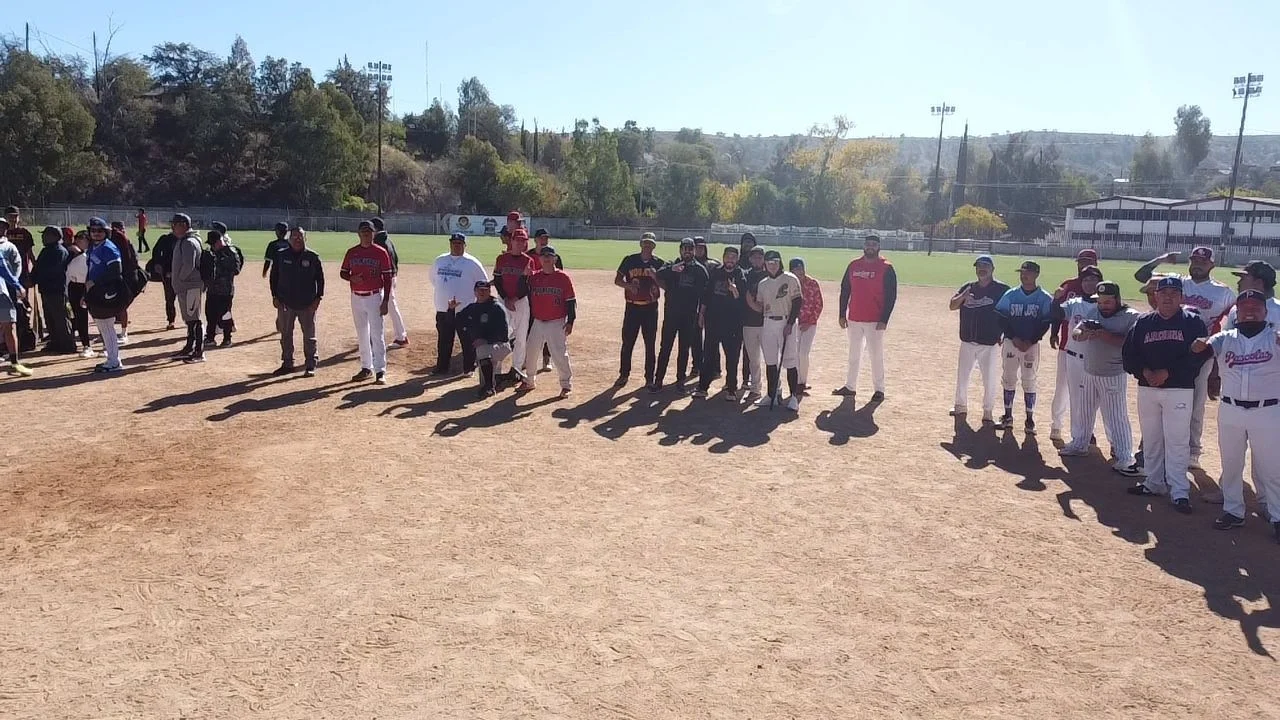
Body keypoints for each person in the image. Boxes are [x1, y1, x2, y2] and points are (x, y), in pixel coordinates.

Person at [1134, 246, 1236, 469]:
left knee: (1196, 404)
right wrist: (1161, 259)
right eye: (1194, 259)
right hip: (1168, 347)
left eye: (1203, 260)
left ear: (1212, 265)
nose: (1197, 263)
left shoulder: (1224, 292)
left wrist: (1218, 370)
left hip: (1203, 353)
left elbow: (1230, 326)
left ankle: (1192, 452)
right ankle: (1153, 450)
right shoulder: (1176, 281)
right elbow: (1141, 276)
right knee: (1162, 399)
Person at [1190, 289, 1280, 538]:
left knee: (1271, 468)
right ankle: (1233, 511)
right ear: (1237, 312)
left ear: (1265, 311)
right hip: (1231, 409)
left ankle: (1278, 515)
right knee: (1231, 465)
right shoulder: (1225, 337)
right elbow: (1201, 349)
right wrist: (1198, 345)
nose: (1250, 310)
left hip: (1268, 410)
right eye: (1244, 307)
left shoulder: (1275, 338)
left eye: (1255, 306)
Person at [1121, 276, 1209, 513]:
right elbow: (1129, 355)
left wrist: (1167, 372)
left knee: (1177, 441)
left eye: (1174, 293)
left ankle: (1179, 491)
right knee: (1151, 438)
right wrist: (1145, 371)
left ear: (1182, 297)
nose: (1168, 297)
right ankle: (1153, 482)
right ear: (1155, 296)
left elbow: (1198, 357)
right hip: (1148, 388)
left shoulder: (1193, 323)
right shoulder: (1143, 323)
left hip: (1179, 389)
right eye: (1164, 292)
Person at [1061, 281, 1142, 475]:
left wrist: (1103, 334)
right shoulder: (1094, 312)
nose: (1103, 305)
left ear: (1117, 299)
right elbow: (1077, 330)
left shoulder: (1131, 317)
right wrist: (1081, 334)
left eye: (1108, 302)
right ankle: (1080, 444)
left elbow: (1130, 342)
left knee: (1116, 416)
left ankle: (1125, 457)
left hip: (1112, 373)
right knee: (1084, 410)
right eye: (1101, 301)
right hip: (1090, 370)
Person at [834, 235, 897, 402]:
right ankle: (850, 386)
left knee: (875, 356)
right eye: (868, 244)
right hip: (854, 317)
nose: (870, 247)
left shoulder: (886, 267)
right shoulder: (854, 265)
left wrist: (884, 319)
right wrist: (842, 314)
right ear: (864, 246)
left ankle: (879, 389)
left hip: (874, 320)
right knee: (853, 355)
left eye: (874, 245)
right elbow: (845, 290)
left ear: (878, 247)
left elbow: (891, 295)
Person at [993, 261, 1054, 432]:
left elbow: (1045, 323)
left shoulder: (1044, 297)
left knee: (1029, 380)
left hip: (1031, 345)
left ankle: (1029, 419)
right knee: (1009, 377)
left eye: (1027, 272)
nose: (1023, 275)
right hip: (1011, 343)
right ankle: (1008, 416)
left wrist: (1031, 340)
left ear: (1036, 275)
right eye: (1022, 272)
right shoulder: (1011, 294)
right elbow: (1001, 319)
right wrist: (1014, 338)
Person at [949, 255, 1010, 422]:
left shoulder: (1002, 290)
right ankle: (960, 405)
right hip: (967, 340)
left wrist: (1005, 333)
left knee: (989, 378)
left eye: (985, 266)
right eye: (979, 266)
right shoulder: (968, 287)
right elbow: (952, 305)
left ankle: (988, 411)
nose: (982, 269)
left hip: (989, 342)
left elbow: (1009, 314)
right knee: (962, 375)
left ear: (992, 269)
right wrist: (963, 296)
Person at [1048, 249, 1100, 438]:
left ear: (1096, 262)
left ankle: (1087, 429)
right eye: (1081, 261)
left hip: (1093, 350)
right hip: (1067, 344)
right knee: (1062, 387)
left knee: (1090, 393)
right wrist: (1054, 333)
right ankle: (1057, 424)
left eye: (1088, 261)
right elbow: (1057, 313)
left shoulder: (1101, 287)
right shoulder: (1068, 285)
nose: (1084, 264)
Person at [653, 238, 709, 393]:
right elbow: (658, 274)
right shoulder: (672, 264)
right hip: (671, 314)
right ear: (680, 250)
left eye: (690, 249)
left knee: (684, 349)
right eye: (684, 249)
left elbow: (705, 293)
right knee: (665, 348)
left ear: (694, 250)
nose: (687, 251)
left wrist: (701, 314)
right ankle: (658, 380)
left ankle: (680, 381)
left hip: (689, 316)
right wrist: (672, 270)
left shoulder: (699, 269)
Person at [341, 221, 394, 384]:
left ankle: (380, 370)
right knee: (362, 333)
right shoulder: (352, 252)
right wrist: (351, 277)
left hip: (374, 296)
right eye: (363, 232)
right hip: (356, 296)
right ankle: (366, 367)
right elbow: (343, 272)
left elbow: (387, 277)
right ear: (358, 234)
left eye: (369, 232)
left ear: (373, 234)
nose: (366, 234)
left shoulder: (381, 252)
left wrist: (385, 301)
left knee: (377, 334)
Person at [751, 249, 803, 410]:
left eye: (775, 263)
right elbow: (760, 306)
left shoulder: (790, 278)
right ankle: (772, 394)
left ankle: (794, 396)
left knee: (790, 360)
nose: (772, 266)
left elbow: (797, 302)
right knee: (771, 361)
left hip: (786, 322)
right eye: (769, 263)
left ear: (780, 263)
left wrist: (790, 323)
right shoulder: (763, 283)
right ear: (765, 264)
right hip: (768, 322)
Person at [431, 232, 489, 377]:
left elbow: (483, 283)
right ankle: (442, 367)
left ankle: (469, 367)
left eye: (459, 243)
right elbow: (433, 279)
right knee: (444, 339)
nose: (456, 246)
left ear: (464, 245)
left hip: (465, 309)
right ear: (450, 244)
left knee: (467, 340)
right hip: (443, 308)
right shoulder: (440, 260)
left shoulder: (472, 263)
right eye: (454, 243)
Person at [521, 245, 576, 397]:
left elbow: (571, 300)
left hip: (556, 322)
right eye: (544, 256)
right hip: (538, 321)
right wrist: (523, 277)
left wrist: (571, 320)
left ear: (555, 259)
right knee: (531, 351)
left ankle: (566, 384)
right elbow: (521, 291)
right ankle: (529, 381)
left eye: (549, 256)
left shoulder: (563, 278)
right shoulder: (534, 278)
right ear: (539, 259)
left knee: (559, 353)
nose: (546, 258)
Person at [693, 247, 747, 400]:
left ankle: (731, 389)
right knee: (709, 355)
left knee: (732, 356)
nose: (730, 260)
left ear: (737, 260)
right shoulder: (715, 272)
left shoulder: (740, 274)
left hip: (732, 323)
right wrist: (702, 314)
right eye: (728, 257)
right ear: (723, 258)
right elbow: (707, 295)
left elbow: (743, 300)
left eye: (733, 257)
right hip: (713, 320)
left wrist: (735, 291)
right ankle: (703, 387)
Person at [270, 226, 324, 377]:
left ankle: (310, 364)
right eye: (294, 236)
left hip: (307, 303)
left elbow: (320, 280)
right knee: (285, 334)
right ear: (289, 238)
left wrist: (318, 298)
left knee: (309, 335)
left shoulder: (313, 257)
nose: (297, 239)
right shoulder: (280, 256)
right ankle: (287, 363)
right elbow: (274, 277)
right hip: (285, 303)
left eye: (300, 236)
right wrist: (274, 296)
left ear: (305, 238)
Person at [614, 232, 664, 389]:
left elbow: (665, 285)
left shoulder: (659, 263)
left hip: (650, 308)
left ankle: (649, 377)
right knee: (628, 342)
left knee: (650, 344)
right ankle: (624, 374)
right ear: (640, 244)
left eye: (650, 243)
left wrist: (655, 277)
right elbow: (617, 280)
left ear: (654, 246)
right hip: (632, 307)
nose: (647, 246)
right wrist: (629, 286)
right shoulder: (630, 260)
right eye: (645, 243)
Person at [83, 217, 128, 374]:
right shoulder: (93, 247)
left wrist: (95, 282)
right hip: (95, 291)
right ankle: (111, 359)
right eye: (93, 230)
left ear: (106, 232)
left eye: (100, 231)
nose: (96, 233)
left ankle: (115, 361)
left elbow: (116, 270)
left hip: (107, 290)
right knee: (103, 327)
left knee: (107, 326)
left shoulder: (108, 247)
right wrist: (86, 293)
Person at [493, 227, 536, 377]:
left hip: (521, 301)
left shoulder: (528, 261)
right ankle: (496, 370)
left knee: (521, 336)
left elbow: (529, 285)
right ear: (511, 241)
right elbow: (497, 280)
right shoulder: (501, 259)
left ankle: (516, 369)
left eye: (523, 241)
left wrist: (515, 299)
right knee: (500, 334)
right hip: (503, 300)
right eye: (517, 240)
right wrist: (505, 298)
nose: (520, 243)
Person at [458, 280, 513, 398]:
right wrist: (451, 309)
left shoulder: (497, 308)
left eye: (485, 290)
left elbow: (503, 335)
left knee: (482, 349)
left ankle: (489, 387)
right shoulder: (472, 307)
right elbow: (458, 320)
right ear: (475, 292)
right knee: (481, 350)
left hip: (501, 346)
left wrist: (486, 340)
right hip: (488, 347)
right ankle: (498, 379)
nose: (482, 293)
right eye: (479, 290)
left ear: (489, 291)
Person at [168, 213, 206, 363]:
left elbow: (189, 265)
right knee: (189, 319)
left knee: (195, 319)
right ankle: (189, 347)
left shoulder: (189, 242)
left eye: (175, 224)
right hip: (186, 286)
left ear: (183, 225)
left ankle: (199, 351)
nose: (173, 227)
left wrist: (180, 279)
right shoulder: (184, 240)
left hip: (190, 285)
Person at [31, 226, 75, 354]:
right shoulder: (46, 250)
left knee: (60, 317)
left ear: (55, 236)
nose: (43, 237)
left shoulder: (59, 251)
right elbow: (38, 266)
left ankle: (67, 344)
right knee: (50, 317)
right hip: (46, 289)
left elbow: (54, 270)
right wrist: (33, 278)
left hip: (57, 290)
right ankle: (55, 342)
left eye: (46, 235)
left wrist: (37, 278)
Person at [3, 208, 36, 352]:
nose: (13, 219)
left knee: (21, 304)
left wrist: (34, 272)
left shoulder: (25, 233)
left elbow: (30, 254)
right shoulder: (3, 233)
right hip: (3, 276)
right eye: (10, 216)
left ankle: (23, 333)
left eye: (15, 216)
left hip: (21, 275)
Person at [371, 217, 408, 347]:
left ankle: (401, 336)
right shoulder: (387, 240)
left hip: (385, 278)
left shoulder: (379, 242)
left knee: (389, 305)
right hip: (392, 276)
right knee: (389, 305)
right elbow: (396, 259)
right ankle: (400, 335)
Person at [0, 225, 31, 377]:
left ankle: (14, 363)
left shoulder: (8, 247)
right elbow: (4, 268)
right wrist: (18, 286)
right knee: (9, 326)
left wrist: (16, 284)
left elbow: (6, 268)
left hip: (2, 292)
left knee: (9, 325)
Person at [203, 230, 242, 348]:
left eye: (213, 244)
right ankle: (210, 337)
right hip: (212, 289)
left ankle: (227, 338)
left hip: (225, 290)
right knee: (210, 313)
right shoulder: (211, 253)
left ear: (219, 242)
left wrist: (222, 263)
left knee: (225, 314)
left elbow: (236, 270)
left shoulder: (231, 252)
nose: (211, 247)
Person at [528, 228, 559, 372]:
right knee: (532, 329)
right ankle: (527, 360)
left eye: (546, 237)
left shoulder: (554, 256)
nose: (544, 240)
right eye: (541, 237)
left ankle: (546, 359)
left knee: (549, 326)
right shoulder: (529, 255)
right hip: (532, 296)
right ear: (535, 240)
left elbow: (559, 274)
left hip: (549, 296)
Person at [740, 245, 768, 398]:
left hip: (766, 323)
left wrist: (757, 306)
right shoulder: (745, 275)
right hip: (749, 322)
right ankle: (756, 388)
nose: (757, 259)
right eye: (754, 257)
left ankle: (774, 390)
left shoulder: (769, 275)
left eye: (760, 257)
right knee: (753, 359)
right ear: (750, 259)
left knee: (771, 359)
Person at [791, 258, 823, 393]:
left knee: (803, 353)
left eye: (801, 269)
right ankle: (796, 380)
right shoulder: (789, 283)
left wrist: (809, 321)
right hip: (793, 323)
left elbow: (818, 304)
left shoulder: (812, 283)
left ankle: (802, 381)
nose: (800, 272)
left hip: (809, 324)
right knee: (795, 353)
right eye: (796, 269)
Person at [108, 220, 140, 345]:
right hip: (116, 276)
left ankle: (124, 332)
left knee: (122, 305)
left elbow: (133, 260)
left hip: (125, 277)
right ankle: (116, 330)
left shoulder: (125, 241)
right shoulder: (112, 241)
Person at [1223, 261, 1280, 330]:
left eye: (1243, 279)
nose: (1238, 283)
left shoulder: (1278, 310)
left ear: (1258, 283)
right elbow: (1226, 338)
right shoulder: (1236, 308)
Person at [693, 236, 719, 379]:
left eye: (702, 247)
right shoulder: (687, 264)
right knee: (695, 336)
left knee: (712, 336)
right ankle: (696, 365)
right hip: (693, 304)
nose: (699, 249)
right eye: (696, 247)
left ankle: (715, 367)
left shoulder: (713, 264)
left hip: (711, 304)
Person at [65, 232, 94, 357]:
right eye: (77, 240)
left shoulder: (90, 255)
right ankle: (84, 345)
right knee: (76, 316)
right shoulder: (70, 254)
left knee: (96, 316)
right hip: (73, 286)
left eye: (82, 240)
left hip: (87, 287)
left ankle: (102, 345)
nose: (78, 242)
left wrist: (80, 253)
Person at [147, 225, 178, 329]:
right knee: (170, 298)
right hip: (168, 273)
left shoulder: (186, 240)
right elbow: (156, 251)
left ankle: (190, 320)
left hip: (184, 274)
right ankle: (171, 320)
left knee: (186, 299)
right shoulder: (165, 239)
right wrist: (157, 263)